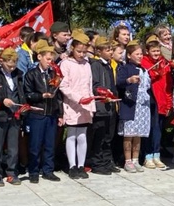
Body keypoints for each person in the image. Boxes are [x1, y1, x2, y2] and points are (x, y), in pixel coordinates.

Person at [23, 40, 64, 183]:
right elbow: (27, 94)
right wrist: (41, 96)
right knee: (35, 145)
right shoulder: (31, 74)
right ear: (39, 57)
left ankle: (48, 170)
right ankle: (33, 171)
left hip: (51, 114)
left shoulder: (53, 74)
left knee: (50, 144)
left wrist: (60, 114)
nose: (50, 62)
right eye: (47, 59)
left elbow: (58, 96)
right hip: (37, 114)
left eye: (51, 59)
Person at [58, 30, 96, 179]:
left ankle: (81, 165)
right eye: (79, 51)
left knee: (82, 135)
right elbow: (63, 86)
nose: (81, 54)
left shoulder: (87, 64)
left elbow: (89, 83)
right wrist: (77, 98)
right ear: (72, 49)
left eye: (84, 52)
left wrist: (89, 99)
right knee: (72, 135)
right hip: (72, 103)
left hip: (86, 104)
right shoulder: (66, 64)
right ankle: (72, 165)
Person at [0, 47, 24, 185]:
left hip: (15, 115)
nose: (12, 68)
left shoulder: (18, 74)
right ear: (1, 61)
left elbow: (20, 92)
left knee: (13, 147)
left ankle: (12, 173)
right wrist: (2, 101)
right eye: (9, 65)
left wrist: (23, 105)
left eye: (14, 65)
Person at [117, 41, 151, 173]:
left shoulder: (144, 69)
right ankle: (128, 161)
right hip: (130, 105)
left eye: (141, 54)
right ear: (129, 55)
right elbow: (119, 83)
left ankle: (136, 159)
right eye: (137, 54)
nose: (140, 56)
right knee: (129, 134)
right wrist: (129, 80)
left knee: (138, 134)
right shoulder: (125, 68)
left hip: (142, 106)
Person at [88, 36, 119, 175]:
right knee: (99, 136)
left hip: (110, 106)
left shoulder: (108, 65)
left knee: (108, 136)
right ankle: (97, 162)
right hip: (100, 105)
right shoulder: (96, 65)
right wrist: (103, 93)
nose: (111, 52)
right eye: (107, 49)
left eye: (111, 49)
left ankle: (107, 161)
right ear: (99, 51)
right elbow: (95, 85)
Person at [142, 36, 171, 169]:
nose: (156, 54)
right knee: (150, 128)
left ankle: (156, 154)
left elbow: (167, 82)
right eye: (153, 51)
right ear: (147, 51)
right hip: (150, 98)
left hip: (161, 99)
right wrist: (157, 72)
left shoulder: (163, 62)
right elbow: (150, 75)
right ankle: (148, 155)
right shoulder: (144, 61)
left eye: (158, 51)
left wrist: (168, 101)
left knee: (158, 128)